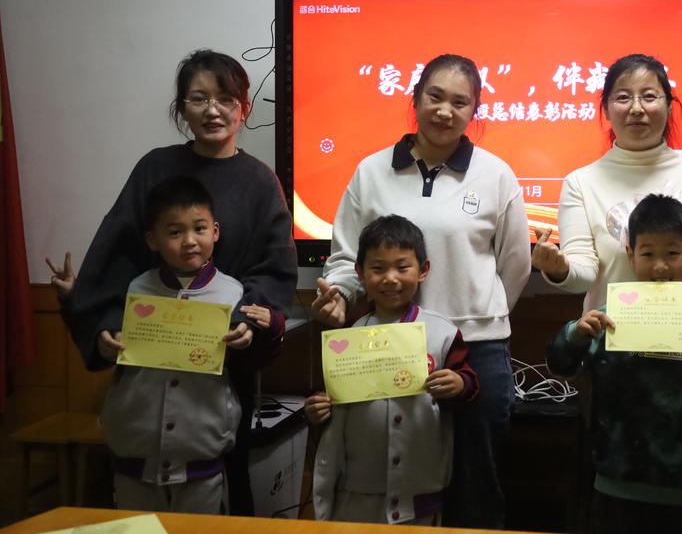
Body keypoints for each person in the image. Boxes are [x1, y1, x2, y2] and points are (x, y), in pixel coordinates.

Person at [63, 49, 298, 514]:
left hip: (221, 362)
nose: (213, 110)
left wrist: (246, 321)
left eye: (226, 99)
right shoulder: (154, 168)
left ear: (244, 107)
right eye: (198, 98)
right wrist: (104, 325)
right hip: (148, 360)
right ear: (181, 108)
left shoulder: (260, 181)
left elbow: (274, 270)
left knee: (222, 491)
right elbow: (114, 254)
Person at [312, 53, 531, 528]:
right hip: (386, 343)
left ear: (475, 111)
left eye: (460, 102)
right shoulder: (371, 171)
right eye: (435, 96)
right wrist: (341, 297)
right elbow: (347, 256)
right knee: (394, 477)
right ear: (415, 99)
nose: (445, 111)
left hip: (478, 348)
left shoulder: (496, 174)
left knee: (477, 481)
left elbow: (515, 265)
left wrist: (477, 314)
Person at [546, 194, 682, 534]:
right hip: (615, 481)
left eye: (672, 253)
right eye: (647, 254)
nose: (660, 267)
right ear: (630, 254)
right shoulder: (608, 318)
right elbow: (560, 365)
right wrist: (575, 334)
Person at [99, 176, 282, 514]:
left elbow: (253, 359)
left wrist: (252, 336)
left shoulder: (234, 294)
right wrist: (106, 342)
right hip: (134, 458)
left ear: (215, 231)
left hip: (203, 460)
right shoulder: (135, 290)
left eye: (199, 229)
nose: (189, 241)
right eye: (174, 232)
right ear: (152, 240)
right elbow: (109, 346)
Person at [532, 53, 682, 325]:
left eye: (649, 96)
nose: (636, 108)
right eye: (623, 97)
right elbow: (583, 274)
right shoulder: (581, 182)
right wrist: (560, 268)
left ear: (669, 106)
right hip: (612, 342)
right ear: (606, 109)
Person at [305, 215, 478, 525]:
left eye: (402, 267)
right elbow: (330, 394)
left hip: (419, 495)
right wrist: (319, 408)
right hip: (356, 494)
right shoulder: (347, 334)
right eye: (377, 268)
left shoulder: (442, 333)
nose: (390, 278)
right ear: (360, 273)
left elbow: (468, 385)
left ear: (423, 270)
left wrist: (459, 384)